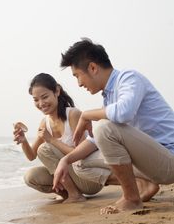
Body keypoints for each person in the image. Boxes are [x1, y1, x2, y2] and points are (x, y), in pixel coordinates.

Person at [53, 39, 174, 214]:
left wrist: (86, 114)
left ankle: (131, 199)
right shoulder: (109, 97)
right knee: (81, 164)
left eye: (77, 75)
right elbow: (96, 141)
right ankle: (144, 185)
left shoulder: (129, 78)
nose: (79, 83)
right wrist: (65, 160)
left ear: (93, 68)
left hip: (168, 161)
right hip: (151, 164)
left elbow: (123, 113)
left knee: (104, 127)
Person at [13, 72, 102, 203]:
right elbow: (31, 156)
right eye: (36, 100)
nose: (41, 103)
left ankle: (75, 195)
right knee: (31, 177)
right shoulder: (45, 122)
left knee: (45, 148)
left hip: (89, 177)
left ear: (57, 91)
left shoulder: (73, 114)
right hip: (72, 175)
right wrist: (23, 140)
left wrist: (51, 140)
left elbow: (83, 154)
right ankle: (69, 194)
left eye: (44, 97)